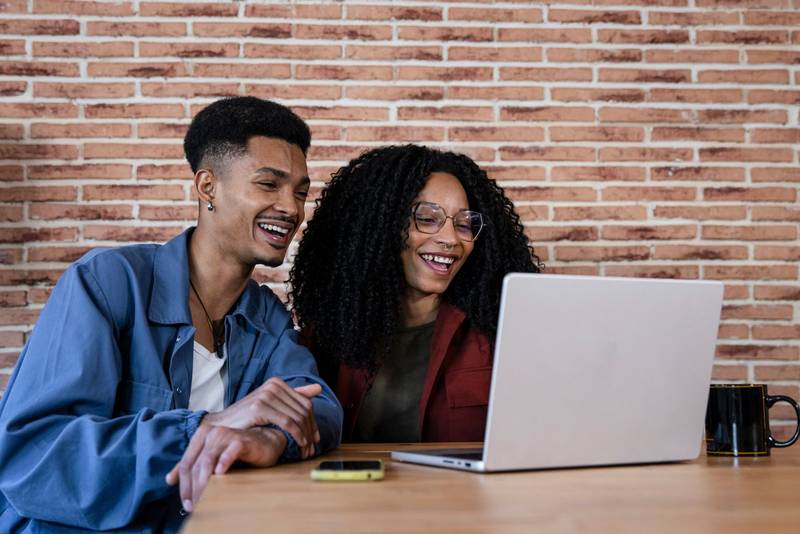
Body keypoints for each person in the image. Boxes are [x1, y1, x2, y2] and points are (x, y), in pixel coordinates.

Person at [0, 97, 343, 532]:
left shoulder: (266, 317)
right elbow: (33, 455)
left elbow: (319, 405)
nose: (292, 209)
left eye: (299, 192)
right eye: (268, 184)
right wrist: (205, 429)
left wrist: (270, 436)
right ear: (207, 187)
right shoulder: (107, 283)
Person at [289, 144, 541, 443]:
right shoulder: (325, 339)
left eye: (464, 224)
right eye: (427, 218)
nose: (450, 239)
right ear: (381, 225)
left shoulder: (500, 335)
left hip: (464, 491)